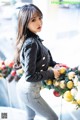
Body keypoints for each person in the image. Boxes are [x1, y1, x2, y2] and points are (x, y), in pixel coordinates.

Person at [14, 4, 61, 120]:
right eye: (33, 20)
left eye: (40, 18)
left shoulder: (34, 39)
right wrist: (52, 73)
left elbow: (41, 59)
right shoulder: (31, 43)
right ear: (25, 23)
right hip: (29, 92)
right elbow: (30, 76)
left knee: (30, 116)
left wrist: (54, 64)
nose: (39, 22)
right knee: (53, 118)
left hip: (24, 89)